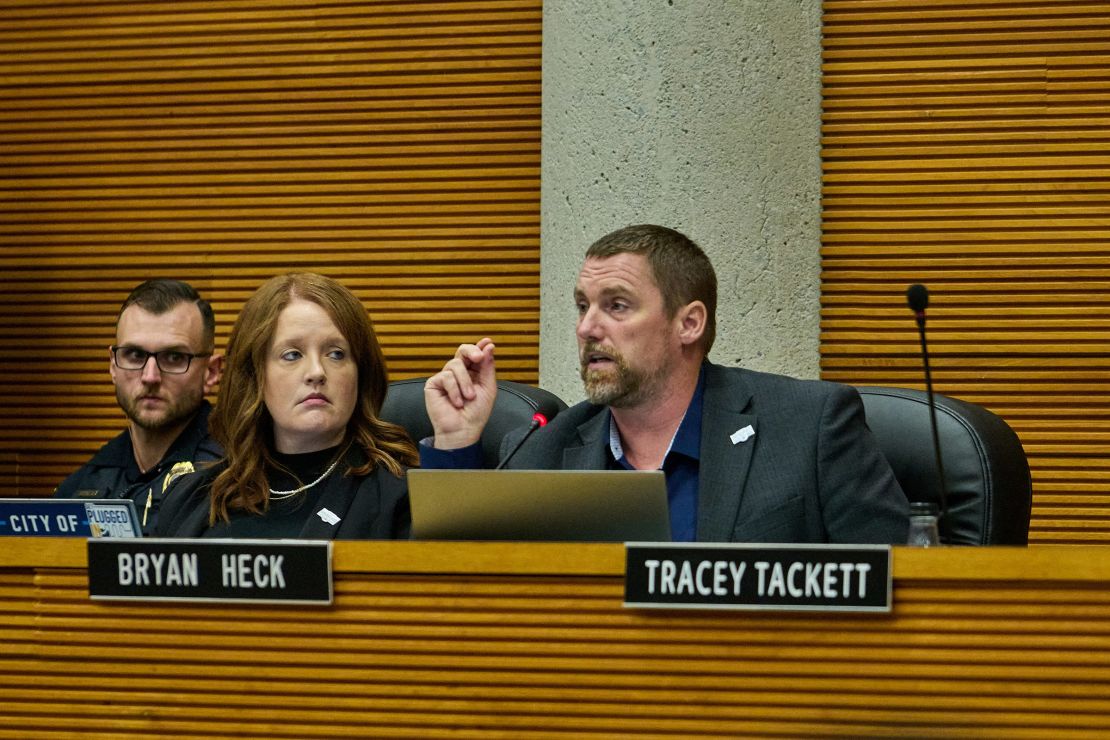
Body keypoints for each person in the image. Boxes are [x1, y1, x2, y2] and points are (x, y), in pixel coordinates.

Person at [422, 224, 909, 544]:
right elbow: (461, 605)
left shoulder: (809, 426)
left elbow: (901, 588)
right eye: (582, 305)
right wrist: (456, 443)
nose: (587, 327)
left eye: (616, 305)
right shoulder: (542, 451)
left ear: (688, 323)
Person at [155, 273, 416, 539]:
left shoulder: (400, 496)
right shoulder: (189, 497)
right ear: (255, 374)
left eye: (336, 353)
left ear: (360, 373)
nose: (316, 371)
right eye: (292, 355)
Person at [54, 279, 223, 534]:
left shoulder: (239, 477)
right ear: (113, 366)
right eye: (135, 355)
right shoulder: (82, 487)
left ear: (211, 372)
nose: (150, 376)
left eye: (174, 357)